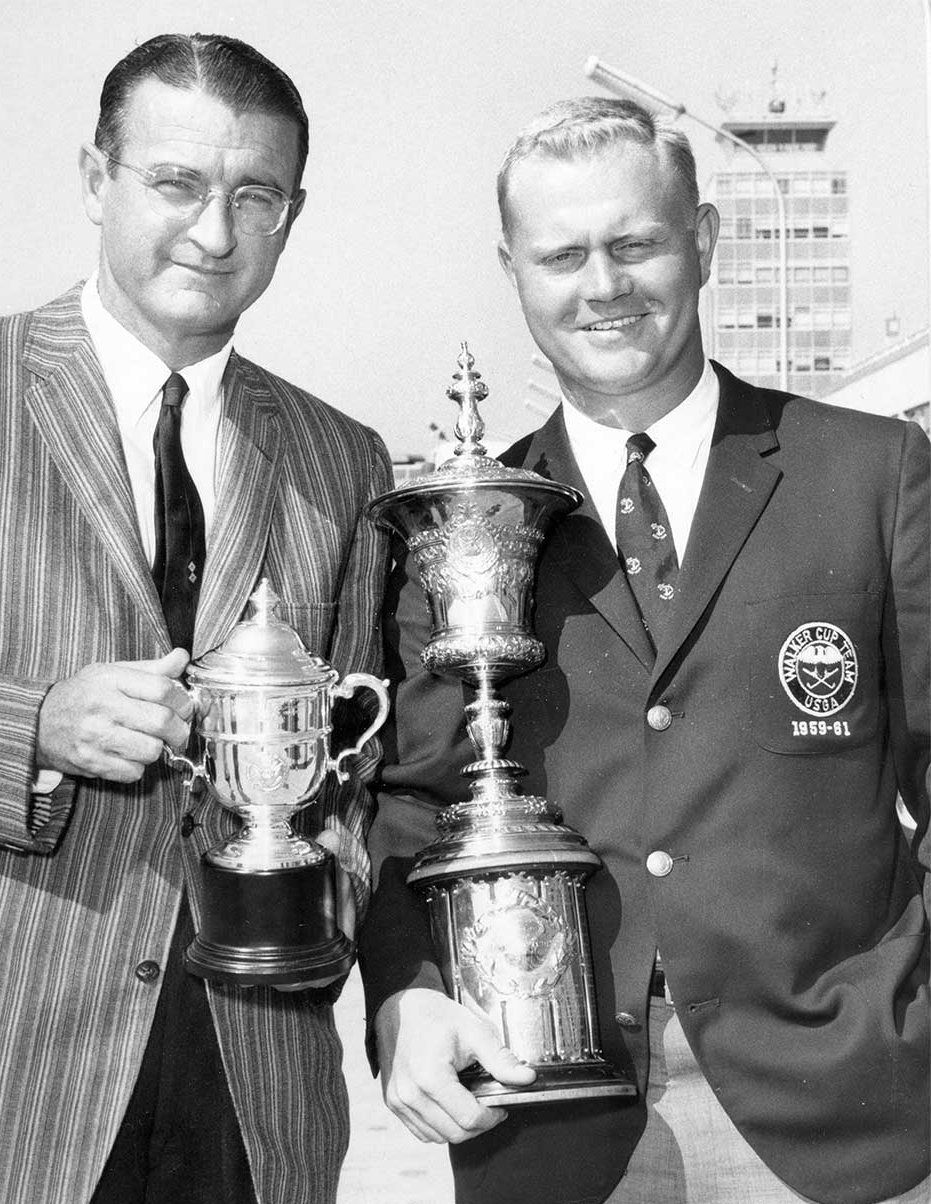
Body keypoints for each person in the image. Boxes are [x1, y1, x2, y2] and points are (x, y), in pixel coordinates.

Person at [359, 97, 929, 1204]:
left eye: (635, 243)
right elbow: (413, 803)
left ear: (704, 242)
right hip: (546, 1118)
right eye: (563, 253)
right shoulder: (452, 527)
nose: (602, 284)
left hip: (844, 1112)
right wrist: (407, 991)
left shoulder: (877, 474)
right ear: (513, 269)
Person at [0, 33, 392, 1204]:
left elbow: (367, 765)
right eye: (175, 184)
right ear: (95, 178)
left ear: (296, 211)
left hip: (256, 1080)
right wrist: (32, 722)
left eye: (256, 195)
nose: (215, 232)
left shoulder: (346, 459)